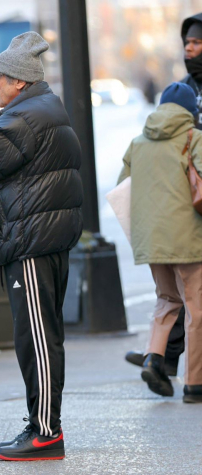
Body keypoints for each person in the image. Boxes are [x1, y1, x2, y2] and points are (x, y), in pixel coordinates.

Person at [0, 32, 83, 461]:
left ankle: (46, 432)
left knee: (37, 339)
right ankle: (42, 424)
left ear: (19, 80)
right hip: (40, 238)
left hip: (31, 242)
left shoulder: (26, 118)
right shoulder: (42, 111)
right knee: (40, 336)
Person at [124, 12, 202, 375]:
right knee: (191, 301)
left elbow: (126, 182)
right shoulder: (187, 96)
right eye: (187, 43)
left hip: (155, 229)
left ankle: (159, 358)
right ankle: (184, 374)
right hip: (188, 217)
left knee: (170, 297)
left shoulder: (142, 137)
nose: (190, 49)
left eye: (196, 43)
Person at [117, 82, 202, 403]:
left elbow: (121, 188)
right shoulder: (195, 138)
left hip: (151, 238)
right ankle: (195, 384)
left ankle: (154, 358)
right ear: (190, 111)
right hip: (188, 237)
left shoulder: (138, 143)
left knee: (167, 300)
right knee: (196, 308)